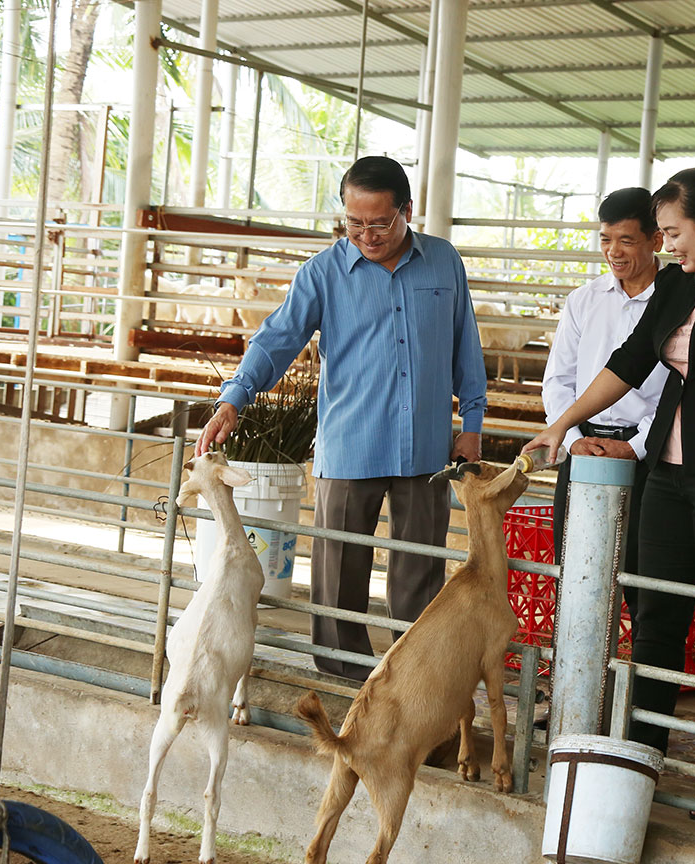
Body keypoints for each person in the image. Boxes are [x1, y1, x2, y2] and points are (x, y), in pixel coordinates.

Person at [522, 157, 695, 813]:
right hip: (667, 477)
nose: (666, 243)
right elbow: (628, 362)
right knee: (655, 622)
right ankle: (640, 761)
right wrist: (560, 425)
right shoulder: (678, 286)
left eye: (673, 231)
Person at [198, 156, 487, 680]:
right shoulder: (323, 272)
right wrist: (232, 400)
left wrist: (472, 424)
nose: (366, 234)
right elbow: (277, 340)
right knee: (338, 569)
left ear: (407, 211)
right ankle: (340, 673)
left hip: (426, 446)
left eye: (379, 222)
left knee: (420, 567)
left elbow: (465, 344)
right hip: (352, 441)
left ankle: (414, 673)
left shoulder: (444, 263)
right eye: (354, 222)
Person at [542, 187, 669, 618]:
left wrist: (635, 447)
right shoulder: (584, 301)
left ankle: (632, 680)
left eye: (626, 240)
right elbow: (558, 380)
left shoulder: (677, 304)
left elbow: (679, 390)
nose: (613, 251)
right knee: (576, 571)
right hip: (583, 453)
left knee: (641, 576)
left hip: (650, 456)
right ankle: (577, 682)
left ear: (656, 240)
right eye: (605, 239)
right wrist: (574, 437)